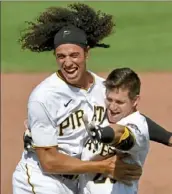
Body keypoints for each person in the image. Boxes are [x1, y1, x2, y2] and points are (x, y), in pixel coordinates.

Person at [12, 3, 142, 194]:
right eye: (61, 56)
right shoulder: (43, 97)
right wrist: (104, 166)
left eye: (74, 55)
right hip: (43, 180)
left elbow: (131, 119)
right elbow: (49, 162)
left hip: (79, 179)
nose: (68, 62)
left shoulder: (103, 88)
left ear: (86, 53)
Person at [79, 67, 150, 194]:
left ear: (135, 101)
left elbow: (123, 133)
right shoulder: (99, 117)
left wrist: (102, 134)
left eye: (119, 102)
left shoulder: (138, 124)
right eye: (109, 99)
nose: (112, 107)